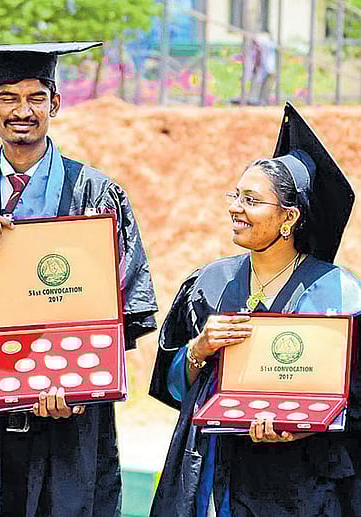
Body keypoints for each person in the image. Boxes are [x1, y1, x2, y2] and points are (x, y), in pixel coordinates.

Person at [0, 43, 159, 516]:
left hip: (67, 409)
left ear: (55, 104)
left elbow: (125, 302)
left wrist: (77, 384)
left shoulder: (95, 194)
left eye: (35, 97)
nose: (22, 110)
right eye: (9, 97)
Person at [149, 102, 361, 516]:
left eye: (251, 200)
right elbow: (173, 387)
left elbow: (357, 402)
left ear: (289, 217)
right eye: (236, 195)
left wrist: (305, 426)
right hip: (216, 477)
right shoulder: (209, 284)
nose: (236, 208)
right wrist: (198, 350)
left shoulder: (339, 294)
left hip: (303, 486)